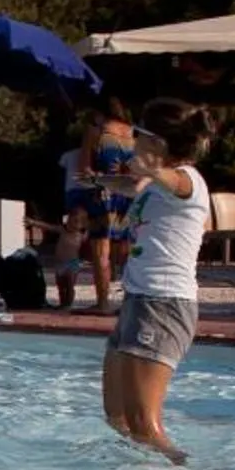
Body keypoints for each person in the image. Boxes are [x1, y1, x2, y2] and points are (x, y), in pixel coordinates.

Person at [104, 100, 220, 464]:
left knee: (144, 423)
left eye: (137, 133)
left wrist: (154, 170)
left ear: (157, 143)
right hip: (139, 300)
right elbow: (133, 186)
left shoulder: (187, 180)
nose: (131, 139)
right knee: (117, 416)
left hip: (164, 306)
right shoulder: (154, 184)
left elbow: (175, 183)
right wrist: (100, 180)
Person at [76, 98, 138, 311]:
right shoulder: (131, 133)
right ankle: (130, 302)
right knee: (126, 250)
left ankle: (103, 303)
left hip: (102, 193)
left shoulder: (95, 132)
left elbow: (84, 169)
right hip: (128, 194)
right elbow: (136, 170)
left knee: (101, 251)